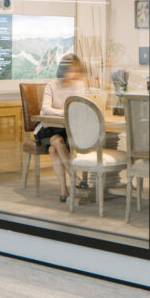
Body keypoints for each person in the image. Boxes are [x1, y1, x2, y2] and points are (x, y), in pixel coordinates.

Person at [34, 54, 88, 202]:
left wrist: (66, 112)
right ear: (64, 70)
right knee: (56, 141)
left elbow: (78, 107)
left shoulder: (79, 85)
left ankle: (64, 190)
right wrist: (65, 112)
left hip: (67, 128)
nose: (76, 74)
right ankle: (74, 178)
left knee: (54, 149)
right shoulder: (52, 85)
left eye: (77, 71)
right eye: (73, 70)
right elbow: (45, 109)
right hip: (47, 127)